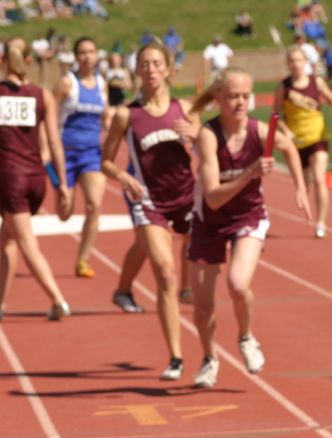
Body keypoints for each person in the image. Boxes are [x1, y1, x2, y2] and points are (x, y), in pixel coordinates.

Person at [187, 68, 312, 387]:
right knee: (202, 307)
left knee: (238, 284)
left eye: (245, 96)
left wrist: (300, 187)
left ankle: (246, 337)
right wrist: (249, 174)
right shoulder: (208, 135)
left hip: (248, 216)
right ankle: (209, 358)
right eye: (232, 96)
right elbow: (213, 198)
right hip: (208, 220)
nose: (240, 102)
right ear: (218, 99)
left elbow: (289, 148)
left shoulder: (258, 131)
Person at [101, 40, 200, 380]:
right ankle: (175, 357)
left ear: (169, 69)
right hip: (148, 200)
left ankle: (137, 290)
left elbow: (208, 147)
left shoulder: (184, 108)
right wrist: (123, 178)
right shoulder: (127, 115)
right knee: (165, 271)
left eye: (157, 63)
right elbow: (106, 162)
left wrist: (198, 135)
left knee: (198, 261)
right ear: (137, 71)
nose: (151, 70)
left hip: (186, 197)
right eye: (145, 64)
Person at [0, 37, 71, 320]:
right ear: (30, 61)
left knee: (27, 244)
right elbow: (54, 142)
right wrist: (63, 184)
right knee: (7, 240)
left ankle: (58, 300)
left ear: (3, 60)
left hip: (9, 178)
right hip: (36, 179)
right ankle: (1, 304)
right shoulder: (44, 95)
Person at [274, 46, 332, 239]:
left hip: (317, 137)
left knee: (320, 178)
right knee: (305, 185)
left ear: (305, 62)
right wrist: (286, 130)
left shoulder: (316, 82)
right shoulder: (284, 87)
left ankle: (321, 222)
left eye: (299, 60)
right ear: (288, 64)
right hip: (296, 142)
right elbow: (275, 115)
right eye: (292, 61)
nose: (295, 64)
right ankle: (308, 209)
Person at [53, 36, 108, 279]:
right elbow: (49, 113)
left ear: (97, 55)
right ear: (76, 57)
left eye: (91, 51)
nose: (87, 56)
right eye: (83, 52)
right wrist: (48, 147)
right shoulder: (67, 83)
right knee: (64, 213)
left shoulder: (101, 84)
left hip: (92, 156)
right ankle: (63, 198)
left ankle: (83, 260)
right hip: (66, 155)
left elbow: (105, 119)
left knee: (95, 206)